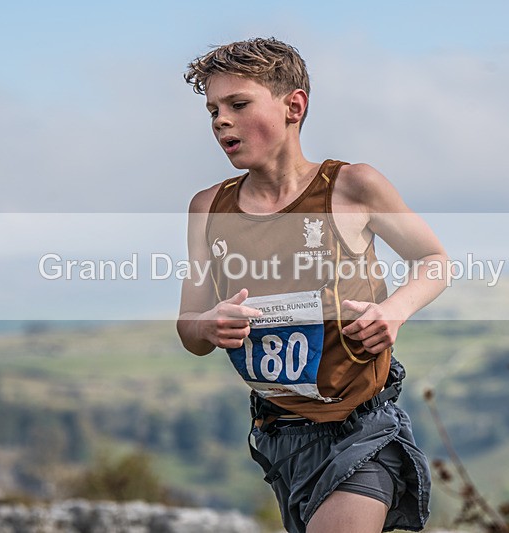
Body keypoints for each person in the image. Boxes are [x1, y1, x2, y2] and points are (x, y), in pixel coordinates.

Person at [176, 37, 449, 533]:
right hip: (278, 435)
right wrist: (210, 325)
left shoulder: (352, 186)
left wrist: (394, 312)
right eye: (213, 108)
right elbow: (189, 328)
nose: (220, 120)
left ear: (293, 107)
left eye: (238, 104)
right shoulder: (206, 208)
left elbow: (433, 260)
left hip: (363, 430)